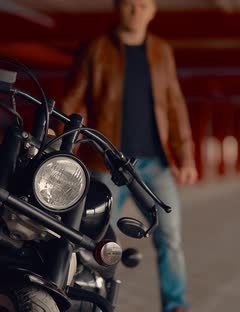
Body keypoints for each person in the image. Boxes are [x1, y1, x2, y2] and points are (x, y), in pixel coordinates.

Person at [60, 0, 198, 311]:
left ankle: (175, 305)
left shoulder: (162, 51)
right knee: (96, 241)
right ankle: (95, 303)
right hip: (107, 162)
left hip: (155, 164)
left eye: (143, 4)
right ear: (117, 8)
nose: (136, 10)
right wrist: (54, 141)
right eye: (130, 4)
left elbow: (175, 105)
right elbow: (72, 97)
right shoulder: (96, 49)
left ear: (153, 11)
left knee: (170, 237)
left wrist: (185, 156)